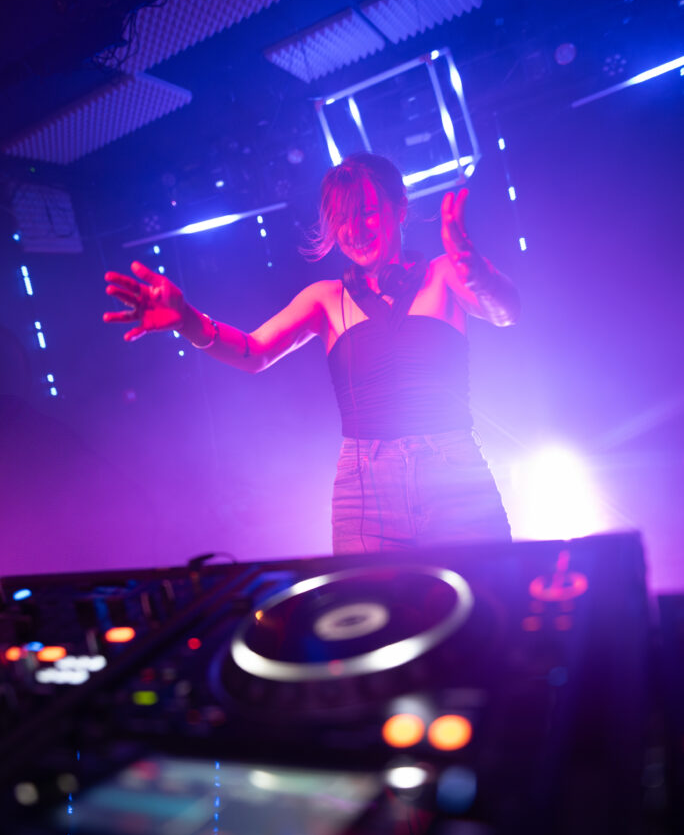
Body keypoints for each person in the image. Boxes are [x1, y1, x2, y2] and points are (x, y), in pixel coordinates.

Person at [104, 152, 520, 553]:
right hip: (366, 493)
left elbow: (506, 313)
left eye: (367, 212)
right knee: (371, 603)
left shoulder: (445, 273)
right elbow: (255, 352)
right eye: (342, 219)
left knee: (488, 594)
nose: (354, 230)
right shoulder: (325, 298)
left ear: (400, 208)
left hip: (455, 478)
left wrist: (475, 270)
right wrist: (186, 320)